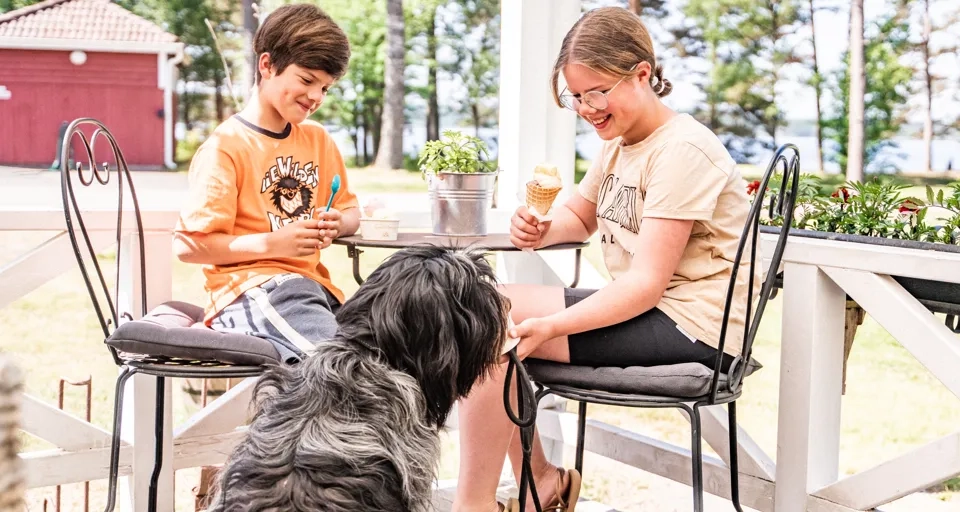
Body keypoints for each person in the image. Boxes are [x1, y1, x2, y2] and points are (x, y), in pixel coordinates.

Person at [453, 7, 759, 512]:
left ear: (642, 74)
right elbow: (580, 216)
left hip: (694, 328)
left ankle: (479, 504)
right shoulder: (621, 143)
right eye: (575, 96)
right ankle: (538, 483)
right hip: (651, 309)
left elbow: (645, 285)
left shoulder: (682, 150)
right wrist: (543, 229)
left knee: (484, 326)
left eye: (596, 92)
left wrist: (552, 326)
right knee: (481, 309)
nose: (586, 108)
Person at [173, 3, 360, 364]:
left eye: (326, 87)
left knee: (389, 349)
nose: (316, 97)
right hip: (249, 291)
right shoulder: (226, 147)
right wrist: (273, 243)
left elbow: (350, 211)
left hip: (315, 292)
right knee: (340, 368)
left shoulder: (318, 140)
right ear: (267, 65)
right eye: (307, 80)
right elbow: (189, 246)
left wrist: (339, 223)